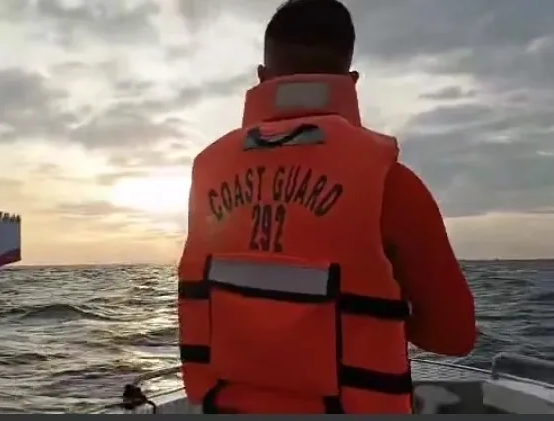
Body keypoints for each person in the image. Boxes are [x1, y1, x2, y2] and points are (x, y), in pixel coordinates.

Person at [177, 0, 476, 414]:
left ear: (263, 77)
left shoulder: (207, 174)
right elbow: (454, 335)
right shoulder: (391, 184)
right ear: (351, 80)